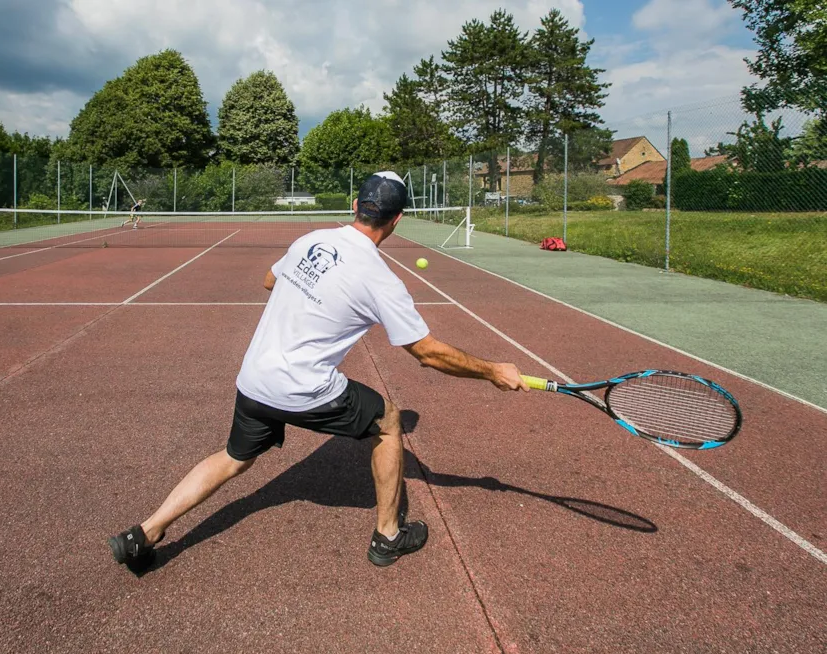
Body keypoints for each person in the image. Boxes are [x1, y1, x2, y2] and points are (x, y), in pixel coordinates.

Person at [108, 172, 528, 569]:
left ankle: (145, 532)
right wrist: (492, 371)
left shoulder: (313, 239)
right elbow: (428, 353)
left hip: (254, 378)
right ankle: (388, 536)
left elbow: (270, 281)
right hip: (302, 388)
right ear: (397, 219)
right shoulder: (381, 280)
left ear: (354, 205)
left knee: (234, 458)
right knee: (388, 422)